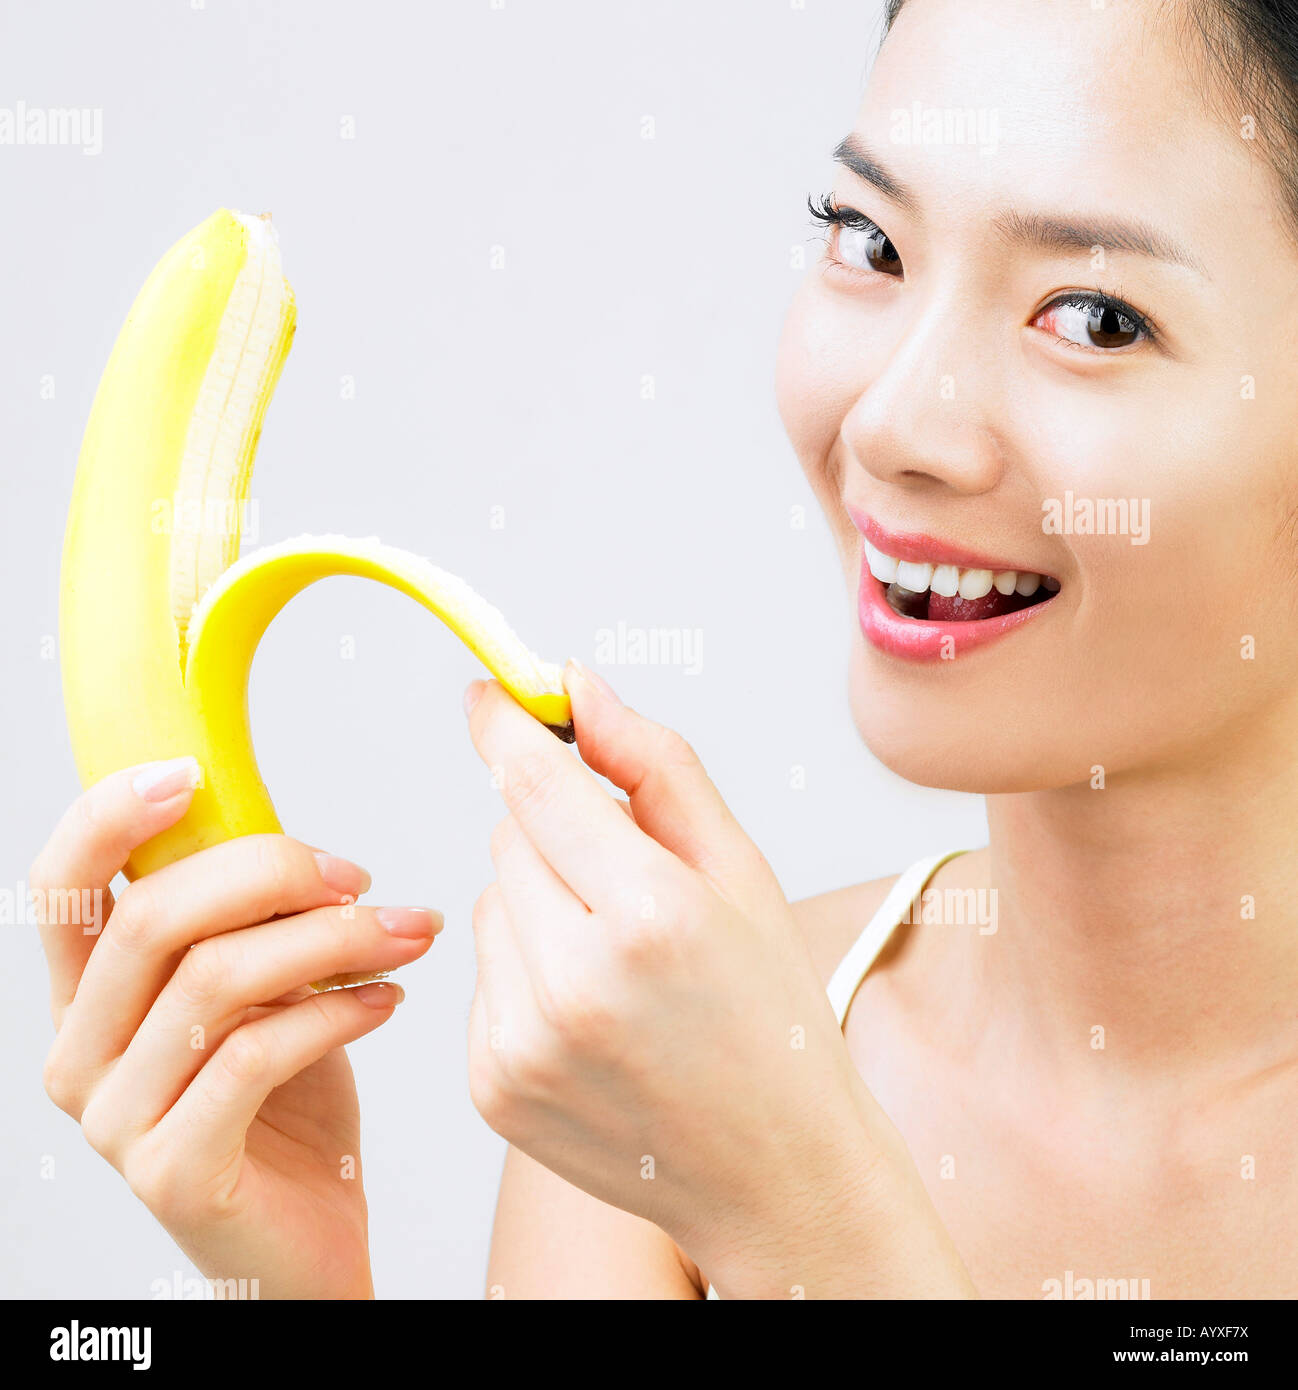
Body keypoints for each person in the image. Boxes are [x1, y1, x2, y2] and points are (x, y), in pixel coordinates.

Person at [34, 0, 1298, 1298]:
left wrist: (804, 1212)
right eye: (868, 241)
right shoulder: (667, 1061)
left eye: (1093, 317)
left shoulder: (726, 1109)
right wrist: (299, 1281)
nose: (892, 423)